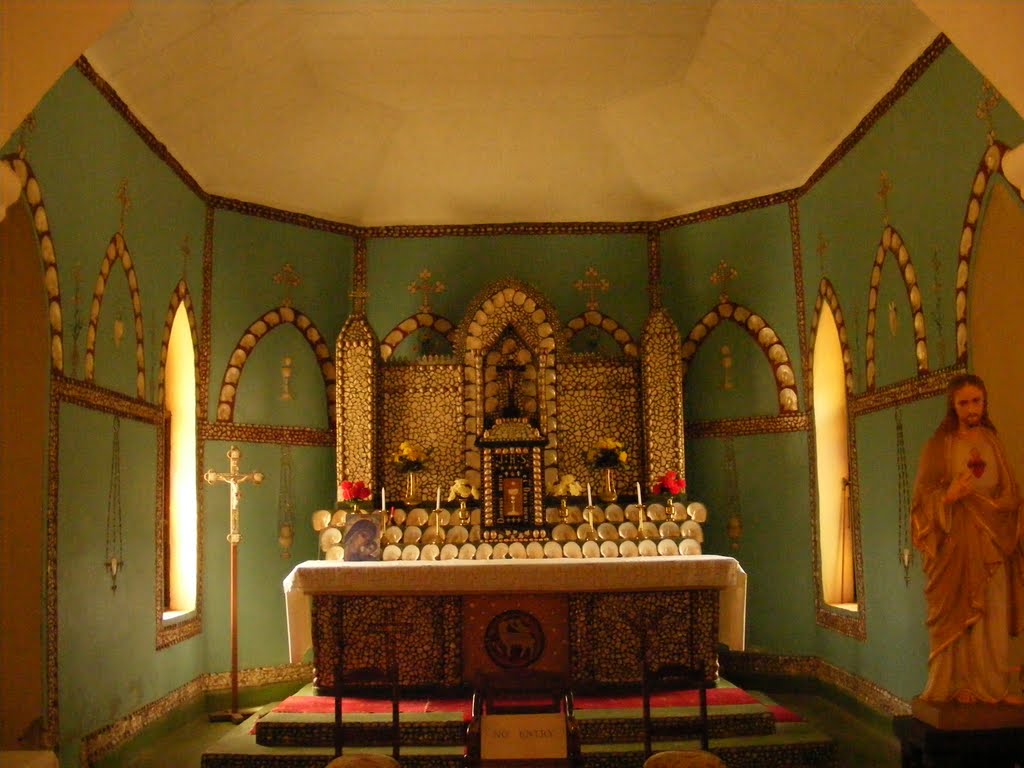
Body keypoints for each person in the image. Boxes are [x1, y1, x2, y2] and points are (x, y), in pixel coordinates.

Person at [911, 373, 1024, 704]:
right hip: (955, 544)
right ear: (953, 406)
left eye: (977, 401)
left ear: (984, 403)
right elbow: (920, 501)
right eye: (964, 403)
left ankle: (994, 686)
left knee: (994, 610)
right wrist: (948, 496)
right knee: (960, 611)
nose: (971, 408)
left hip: (993, 541)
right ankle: (958, 684)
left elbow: (1010, 489)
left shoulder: (993, 441)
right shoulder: (939, 446)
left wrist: (1004, 503)